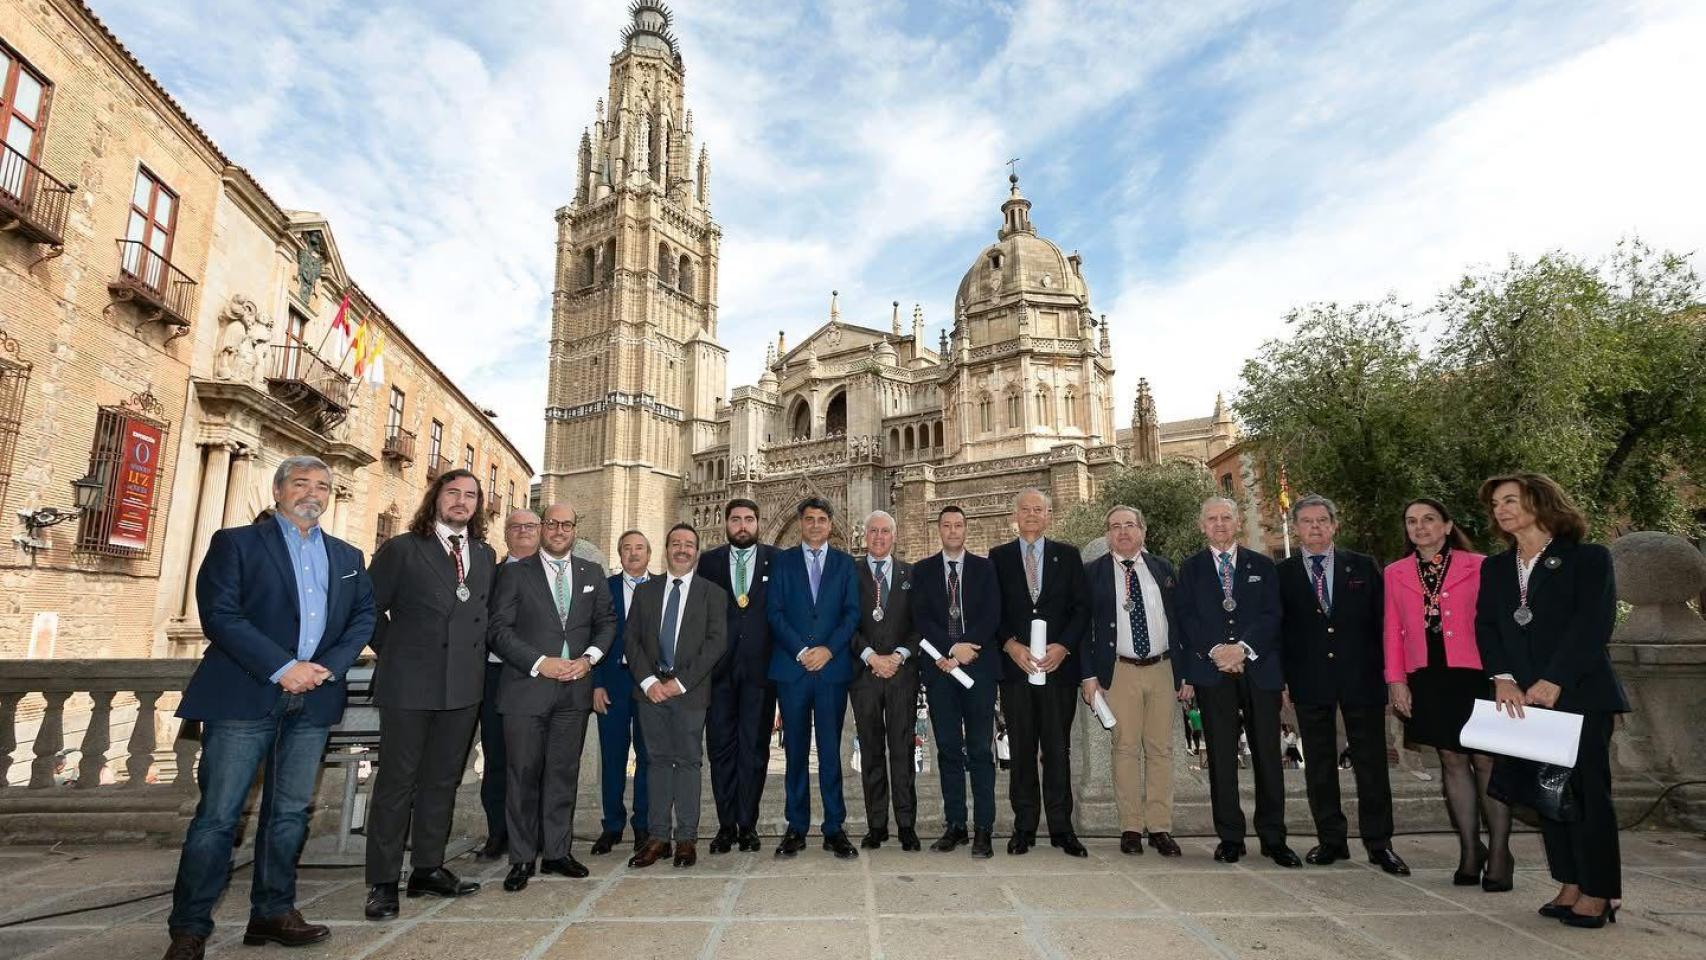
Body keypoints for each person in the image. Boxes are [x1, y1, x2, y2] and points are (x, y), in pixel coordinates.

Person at [161, 457, 375, 960]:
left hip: (316, 697)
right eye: (301, 483)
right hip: (245, 695)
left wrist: (327, 667)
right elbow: (220, 616)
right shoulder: (236, 543)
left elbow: (364, 617)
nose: (312, 493)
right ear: (279, 490)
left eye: (322, 486)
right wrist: (284, 667)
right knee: (218, 817)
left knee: (290, 814)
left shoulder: (347, 554)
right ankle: (189, 928)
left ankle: (273, 912)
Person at [1476, 473, 1628, 927]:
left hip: (1579, 694)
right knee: (1549, 794)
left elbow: (1592, 625)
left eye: (1510, 500)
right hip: (1522, 700)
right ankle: (1570, 882)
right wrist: (1502, 680)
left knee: (1588, 795)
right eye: (1495, 504)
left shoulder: (1588, 558)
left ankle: (1600, 891)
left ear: (1541, 503)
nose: (1501, 509)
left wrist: (1554, 679)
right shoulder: (1496, 567)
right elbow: (1488, 626)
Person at [364, 470, 496, 920]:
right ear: (436, 498)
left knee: (443, 781)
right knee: (396, 783)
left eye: (470, 496)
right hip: (408, 684)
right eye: (453, 493)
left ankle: (428, 868)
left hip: (462, 687)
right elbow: (366, 610)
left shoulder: (483, 553)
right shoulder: (402, 549)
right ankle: (382, 881)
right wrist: (394, 650)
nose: (461, 502)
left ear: (477, 506)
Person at [487, 503, 616, 892]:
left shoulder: (591, 572)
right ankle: (522, 857)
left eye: (567, 524)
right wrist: (540, 663)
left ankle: (557, 852)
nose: (559, 530)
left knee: (563, 774)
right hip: (526, 689)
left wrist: (589, 659)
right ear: (542, 527)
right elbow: (498, 630)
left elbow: (606, 623)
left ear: (576, 529)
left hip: (573, 690)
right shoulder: (514, 573)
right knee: (522, 775)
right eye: (552, 523)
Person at [1278, 495, 1408, 875]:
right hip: (1309, 680)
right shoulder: (1281, 573)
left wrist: (1391, 676)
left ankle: (1379, 843)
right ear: (1296, 528)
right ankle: (1331, 840)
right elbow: (1278, 632)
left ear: (1335, 525)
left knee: (1371, 765)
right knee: (1319, 765)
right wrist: (1283, 679)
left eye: (1322, 520)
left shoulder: (1363, 566)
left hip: (1361, 679)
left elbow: (1384, 624)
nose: (1314, 527)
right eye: (1306, 521)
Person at [1384, 498, 1510, 889]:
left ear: (1447, 525)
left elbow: (1500, 622)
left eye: (1428, 520)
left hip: (1478, 673)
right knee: (1451, 760)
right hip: (1428, 675)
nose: (1420, 527)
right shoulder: (1395, 572)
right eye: (1411, 521)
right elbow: (1392, 630)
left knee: (1487, 761)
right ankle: (1471, 849)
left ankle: (1501, 851)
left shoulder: (1481, 565)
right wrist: (1396, 680)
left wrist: (1509, 676)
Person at [1176, 497, 1298, 867]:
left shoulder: (1262, 564)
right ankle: (1230, 836)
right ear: (1202, 526)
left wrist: (1242, 649)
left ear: (1238, 522)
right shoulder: (1191, 569)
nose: (1219, 524)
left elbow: (1272, 614)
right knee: (1221, 756)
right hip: (1213, 673)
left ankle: (1274, 837)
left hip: (1257, 670)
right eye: (1211, 519)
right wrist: (1216, 651)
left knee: (1267, 756)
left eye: (1226, 518)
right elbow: (1186, 618)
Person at [1080, 505, 1185, 858]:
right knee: (1124, 749)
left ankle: (1160, 827)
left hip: (1162, 668)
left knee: (1160, 750)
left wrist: (1185, 675)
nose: (1122, 532)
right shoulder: (1092, 573)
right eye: (1115, 527)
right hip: (1118, 670)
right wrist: (1089, 675)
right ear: (1108, 534)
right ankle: (1131, 827)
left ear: (1143, 531)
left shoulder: (1163, 568)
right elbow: (1082, 629)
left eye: (1129, 525)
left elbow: (1180, 621)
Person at [991, 488, 1091, 857]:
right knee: (1020, 750)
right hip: (1015, 671)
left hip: (1057, 670)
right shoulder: (998, 558)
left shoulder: (1068, 556)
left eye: (1038, 509)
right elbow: (992, 611)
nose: (1032, 515)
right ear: (1014, 514)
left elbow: (1082, 609)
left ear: (1049, 515)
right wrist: (1010, 644)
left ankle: (1062, 828)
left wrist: (1063, 647)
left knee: (1057, 750)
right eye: (1025, 509)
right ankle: (1024, 827)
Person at [627, 523, 728, 869]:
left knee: (688, 763)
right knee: (654, 762)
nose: (682, 549)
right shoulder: (646, 591)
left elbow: (716, 643)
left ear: (696, 552)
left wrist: (680, 682)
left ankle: (686, 838)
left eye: (689, 544)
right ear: (666, 549)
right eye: (676, 544)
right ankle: (657, 838)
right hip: (650, 694)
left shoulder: (711, 594)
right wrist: (648, 682)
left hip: (690, 693)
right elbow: (632, 641)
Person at [766, 497, 862, 859]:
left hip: (831, 670)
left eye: (822, 519)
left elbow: (851, 615)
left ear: (830, 524)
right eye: (810, 519)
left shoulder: (844, 564)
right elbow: (774, 612)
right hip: (793, 669)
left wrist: (828, 651)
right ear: (800, 523)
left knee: (830, 753)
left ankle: (834, 827)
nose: (817, 525)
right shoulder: (783, 561)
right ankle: (796, 826)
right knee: (794, 753)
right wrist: (801, 651)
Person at [912, 505, 1003, 858]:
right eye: (947, 525)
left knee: (980, 750)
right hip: (940, 669)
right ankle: (955, 825)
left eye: (958, 525)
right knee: (948, 750)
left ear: (966, 530)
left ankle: (983, 828)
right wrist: (950, 649)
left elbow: (992, 614)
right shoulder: (923, 571)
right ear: (939, 530)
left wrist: (967, 649)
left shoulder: (985, 569)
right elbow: (921, 616)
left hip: (977, 669)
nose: (952, 530)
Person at [696, 498, 779, 853]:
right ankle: (725, 825)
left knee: (756, 750)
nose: (742, 526)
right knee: (721, 751)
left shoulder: (777, 560)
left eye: (748, 519)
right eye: (735, 520)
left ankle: (748, 824)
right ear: (725, 523)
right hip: (719, 673)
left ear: (758, 523)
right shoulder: (709, 562)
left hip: (761, 673)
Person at [850, 510, 922, 851]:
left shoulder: (911, 573)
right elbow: (845, 622)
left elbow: (919, 624)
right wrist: (870, 656)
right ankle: (876, 825)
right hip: (864, 676)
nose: (879, 537)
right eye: (873, 531)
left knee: (903, 750)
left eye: (885, 532)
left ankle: (906, 824)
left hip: (902, 674)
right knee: (872, 752)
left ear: (895, 536)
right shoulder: (851, 573)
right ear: (865, 535)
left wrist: (899, 656)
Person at [475, 508, 541, 862]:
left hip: (541, 676)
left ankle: (539, 833)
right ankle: (498, 832)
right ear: (506, 535)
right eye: (516, 527)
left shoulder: (556, 574)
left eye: (531, 526)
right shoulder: (490, 575)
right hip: (498, 676)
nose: (523, 532)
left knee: (538, 761)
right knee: (498, 757)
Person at [590, 530, 653, 856]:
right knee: (612, 758)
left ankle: (642, 824)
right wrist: (596, 683)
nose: (633, 554)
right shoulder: (606, 588)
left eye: (639, 548)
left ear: (649, 554)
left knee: (648, 757)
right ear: (619, 553)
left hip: (649, 687)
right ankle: (612, 826)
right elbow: (594, 634)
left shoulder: (662, 587)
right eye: (627, 548)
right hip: (613, 683)